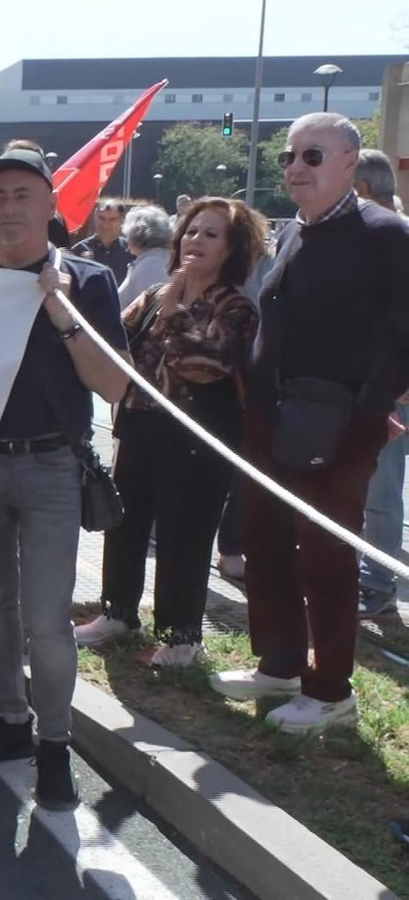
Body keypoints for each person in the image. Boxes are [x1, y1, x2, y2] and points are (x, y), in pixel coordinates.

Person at [210, 113, 409, 733]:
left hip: (340, 424)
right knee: (265, 541)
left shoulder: (387, 234)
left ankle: (330, 691)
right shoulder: (296, 231)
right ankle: (281, 666)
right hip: (272, 416)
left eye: (312, 156)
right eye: (289, 157)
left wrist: (371, 409)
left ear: (350, 162)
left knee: (326, 556)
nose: (296, 168)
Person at [0, 143, 131, 811]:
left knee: (47, 620)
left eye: (21, 195)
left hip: (53, 466)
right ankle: (9, 721)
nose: (7, 208)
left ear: (52, 204)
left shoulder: (89, 280)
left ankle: (55, 744)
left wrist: (62, 313)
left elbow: (114, 386)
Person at [77, 198, 265, 665]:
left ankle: (182, 638)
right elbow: (113, 341)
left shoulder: (236, 307)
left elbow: (205, 364)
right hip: (140, 425)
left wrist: (176, 310)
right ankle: (118, 612)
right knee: (124, 522)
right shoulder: (156, 294)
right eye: (191, 231)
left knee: (185, 534)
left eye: (211, 234)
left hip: (198, 439)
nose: (195, 240)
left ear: (232, 249)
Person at [356, 149, 409, 618]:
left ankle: (377, 581)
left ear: (361, 189)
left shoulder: (394, 238)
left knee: (381, 490)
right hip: (371, 384)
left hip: (393, 388)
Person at [116, 206, 172, 306]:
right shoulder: (159, 259)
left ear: (136, 235)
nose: (126, 239)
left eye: (128, 234)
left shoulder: (151, 266)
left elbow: (150, 309)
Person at [72, 199, 134, 285]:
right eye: (101, 218)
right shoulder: (79, 250)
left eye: (112, 219)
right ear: (95, 217)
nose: (105, 224)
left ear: (122, 220)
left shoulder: (131, 251)